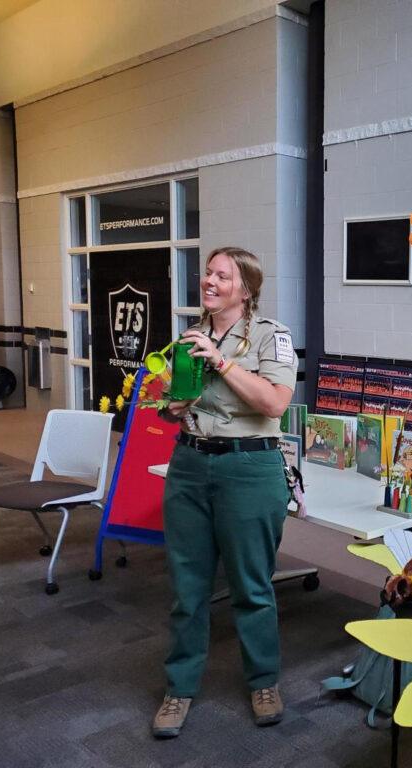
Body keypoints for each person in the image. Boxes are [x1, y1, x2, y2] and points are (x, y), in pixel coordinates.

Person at [151, 246, 297, 738]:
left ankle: (263, 682)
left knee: (252, 587)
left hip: (249, 468)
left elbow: (275, 403)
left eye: (221, 275)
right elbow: (181, 397)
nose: (208, 281)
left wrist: (222, 361)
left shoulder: (270, 336)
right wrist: (171, 401)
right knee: (187, 587)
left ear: (246, 288)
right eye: (207, 273)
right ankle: (179, 688)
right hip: (190, 464)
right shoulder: (187, 338)